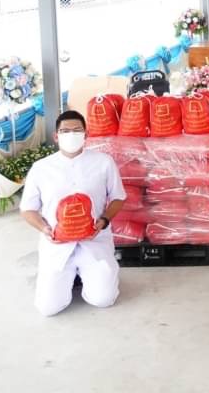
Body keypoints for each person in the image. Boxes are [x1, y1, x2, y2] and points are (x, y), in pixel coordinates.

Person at [19, 111, 126, 317]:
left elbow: (118, 198)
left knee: (103, 300)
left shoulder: (104, 162)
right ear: (56, 136)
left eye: (77, 131)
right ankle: (68, 278)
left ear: (86, 134)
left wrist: (103, 221)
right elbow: (27, 210)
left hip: (94, 241)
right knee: (48, 308)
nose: (71, 135)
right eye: (65, 131)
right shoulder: (41, 168)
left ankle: (90, 274)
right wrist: (45, 229)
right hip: (57, 245)